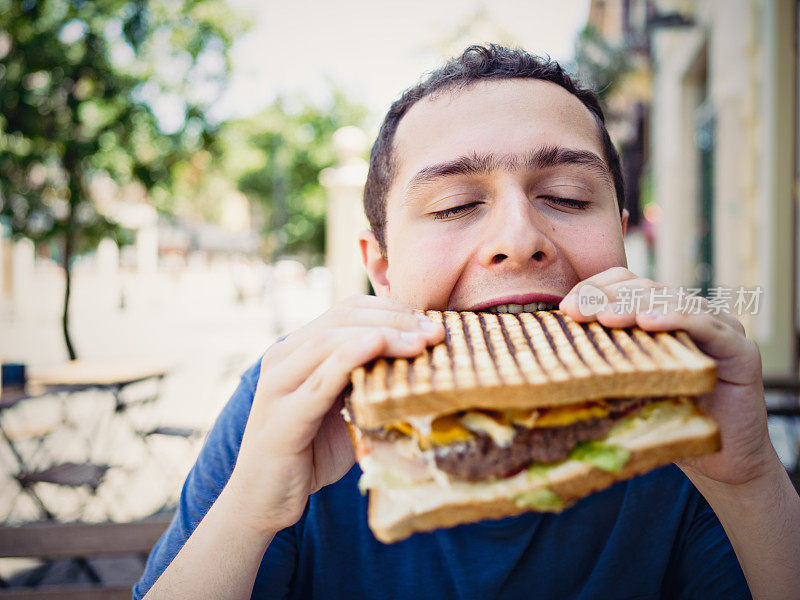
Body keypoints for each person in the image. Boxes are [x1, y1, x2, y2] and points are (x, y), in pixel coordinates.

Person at [134, 44, 799, 599]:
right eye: (454, 206)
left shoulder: (682, 431)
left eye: (567, 197)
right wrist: (251, 512)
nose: (519, 237)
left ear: (622, 239)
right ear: (383, 269)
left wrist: (752, 485)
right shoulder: (295, 406)